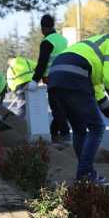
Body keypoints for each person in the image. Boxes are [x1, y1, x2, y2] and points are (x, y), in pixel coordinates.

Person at [48, 27, 109, 182]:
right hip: (75, 74)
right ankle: (85, 174)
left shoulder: (99, 46)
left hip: (57, 75)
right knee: (97, 127)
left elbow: (99, 94)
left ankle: (84, 174)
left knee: (80, 129)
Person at [32, 14, 71, 143]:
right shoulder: (63, 40)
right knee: (62, 106)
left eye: (42, 28)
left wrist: (34, 80)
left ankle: (65, 134)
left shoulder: (47, 42)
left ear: (44, 28)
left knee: (56, 107)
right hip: (66, 76)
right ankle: (54, 133)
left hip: (53, 78)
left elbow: (42, 63)